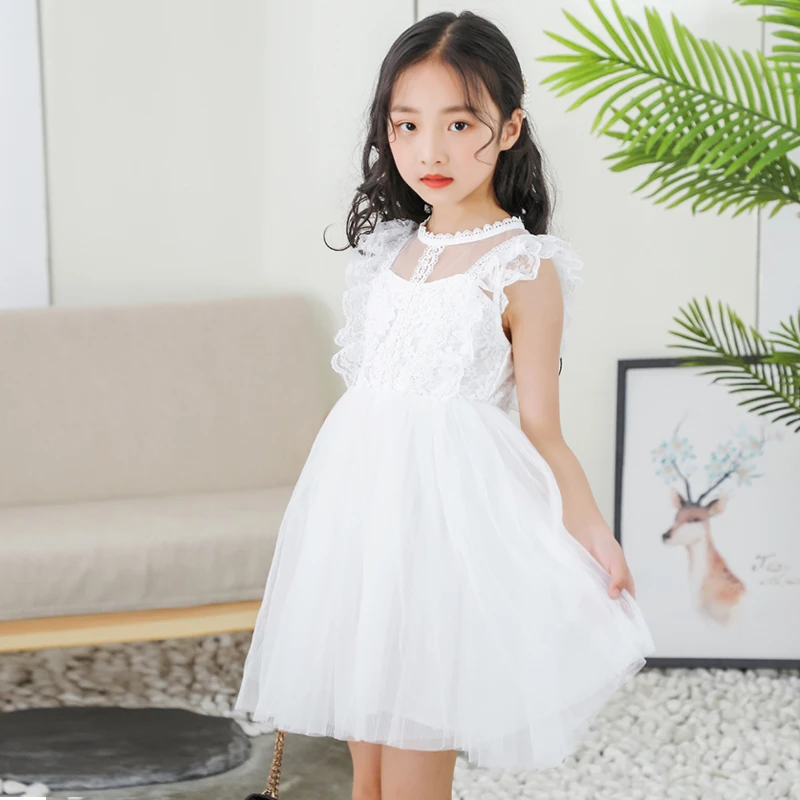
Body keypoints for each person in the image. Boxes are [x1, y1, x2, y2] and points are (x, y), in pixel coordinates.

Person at [235, 9, 655, 800]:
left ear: (509, 128)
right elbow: (371, 397)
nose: (430, 151)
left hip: (444, 529)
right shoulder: (389, 250)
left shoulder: (523, 266)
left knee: (417, 745)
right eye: (407, 124)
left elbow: (542, 429)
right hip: (361, 520)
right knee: (366, 773)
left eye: (459, 124)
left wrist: (592, 530)